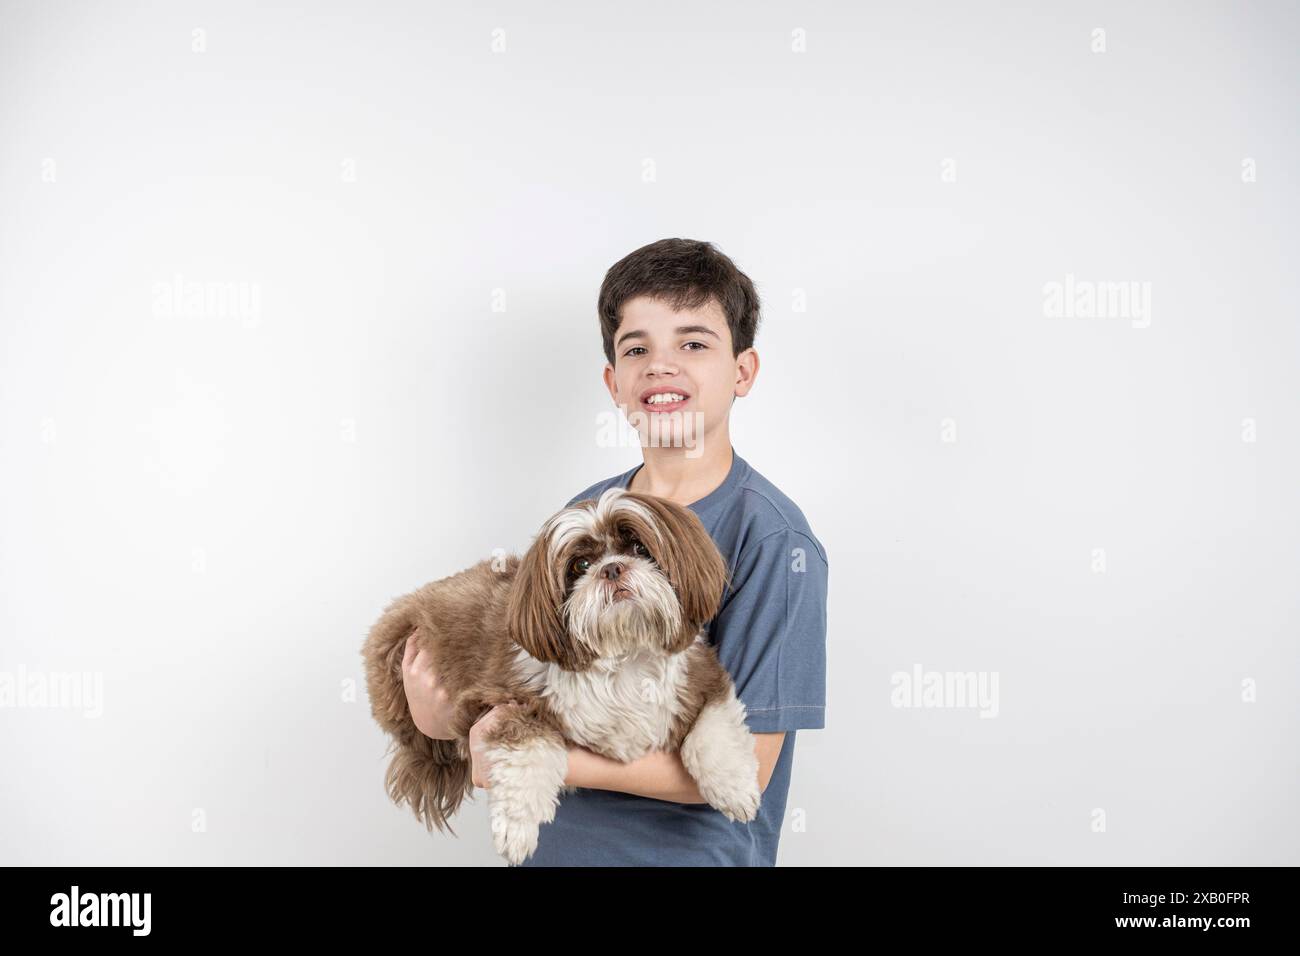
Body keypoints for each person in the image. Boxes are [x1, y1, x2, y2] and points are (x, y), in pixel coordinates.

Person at [402, 238, 829, 865]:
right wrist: (440, 721)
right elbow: (525, 679)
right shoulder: (585, 512)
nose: (662, 366)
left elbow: (747, 773)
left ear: (743, 370)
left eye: (693, 343)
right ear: (615, 382)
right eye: (638, 349)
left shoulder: (772, 539)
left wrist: (537, 757)